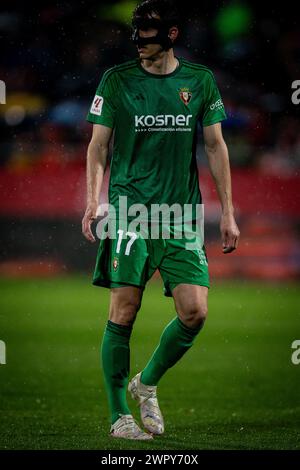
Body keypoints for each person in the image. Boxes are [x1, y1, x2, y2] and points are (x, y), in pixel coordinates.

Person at [82, 0, 240, 440]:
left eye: (147, 31)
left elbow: (215, 147)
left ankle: (145, 383)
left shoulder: (200, 81)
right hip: (131, 210)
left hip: (181, 215)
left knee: (195, 312)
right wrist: (94, 200)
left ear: (171, 34)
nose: (138, 40)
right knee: (124, 310)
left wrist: (226, 211)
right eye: (135, 31)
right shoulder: (116, 81)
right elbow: (98, 146)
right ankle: (119, 417)